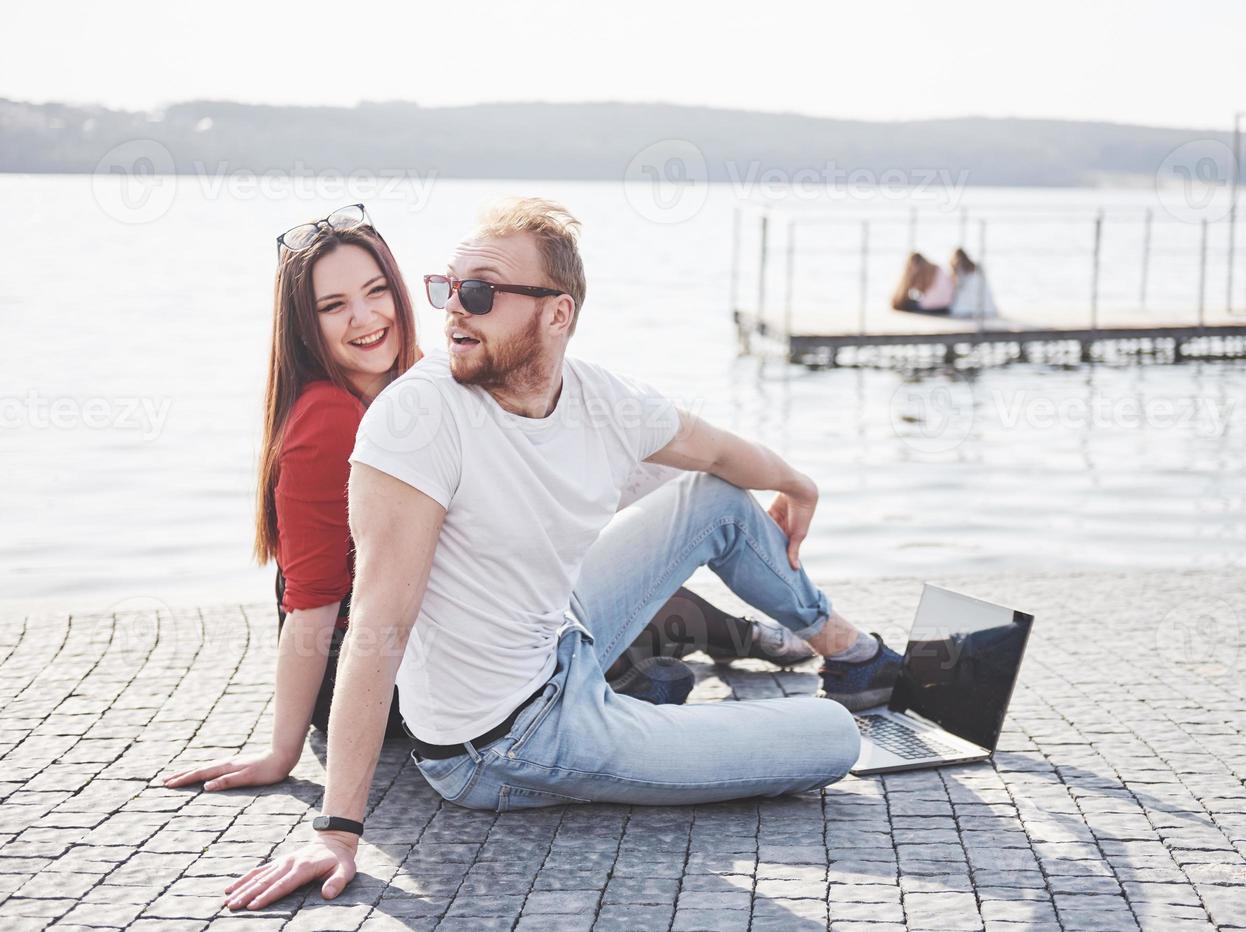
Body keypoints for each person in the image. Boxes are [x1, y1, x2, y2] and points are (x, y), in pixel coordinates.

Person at [223, 198, 904, 911]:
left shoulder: (599, 397)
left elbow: (718, 451)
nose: (454, 310)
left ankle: (851, 654)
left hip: (559, 642)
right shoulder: (413, 417)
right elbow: (374, 625)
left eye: (479, 293)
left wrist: (798, 483)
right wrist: (337, 830)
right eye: (447, 289)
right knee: (830, 738)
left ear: (556, 315)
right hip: (503, 742)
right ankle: (638, 714)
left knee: (717, 498)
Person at [162, 205, 808, 796]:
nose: (365, 318)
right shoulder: (326, 422)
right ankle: (690, 657)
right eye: (334, 306)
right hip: (382, 675)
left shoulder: (437, 376)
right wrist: (284, 753)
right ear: (306, 328)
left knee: (607, 532)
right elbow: (312, 604)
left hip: (456, 621)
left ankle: (686, 658)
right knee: (566, 581)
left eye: (377, 291)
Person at [947, 247, 999, 320]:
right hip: (985, 304)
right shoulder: (976, 266)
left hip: (966, 305)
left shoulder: (958, 268)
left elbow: (956, 286)